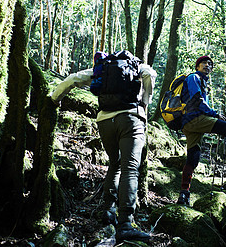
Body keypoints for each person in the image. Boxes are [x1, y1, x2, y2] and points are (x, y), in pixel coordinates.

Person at [50, 54, 156, 244]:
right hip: (131, 119)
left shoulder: (102, 69)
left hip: (105, 121)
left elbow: (72, 79)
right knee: (130, 169)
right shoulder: (135, 67)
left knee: (114, 164)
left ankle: (108, 210)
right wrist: (145, 101)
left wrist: (54, 98)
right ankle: (125, 224)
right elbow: (150, 74)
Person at [177, 55, 226, 205]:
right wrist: (216, 114)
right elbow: (197, 99)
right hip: (194, 119)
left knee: (193, 158)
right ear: (197, 66)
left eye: (210, 64)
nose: (207, 66)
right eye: (204, 63)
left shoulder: (201, 81)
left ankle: (183, 196)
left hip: (190, 124)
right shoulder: (194, 78)